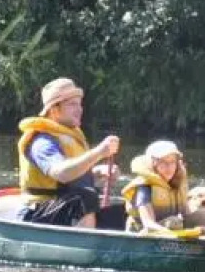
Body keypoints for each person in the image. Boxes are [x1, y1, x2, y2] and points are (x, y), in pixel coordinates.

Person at [16, 77, 124, 229]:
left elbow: (73, 178)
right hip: (37, 213)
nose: (79, 109)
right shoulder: (42, 142)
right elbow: (62, 174)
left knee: (122, 212)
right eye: (72, 104)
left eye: (80, 104)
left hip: (67, 208)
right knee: (85, 197)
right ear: (54, 110)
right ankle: (87, 244)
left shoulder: (71, 136)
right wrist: (99, 152)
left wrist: (96, 174)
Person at [122, 141, 205, 236]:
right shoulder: (144, 188)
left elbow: (188, 217)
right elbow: (148, 224)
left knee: (202, 215)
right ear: (152, 164)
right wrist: (177, 234)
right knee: (174, 222)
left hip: (172, 229)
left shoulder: (177, 184)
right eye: (163, 162)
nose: (169, 167)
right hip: (143, 229)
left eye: (172, 162)